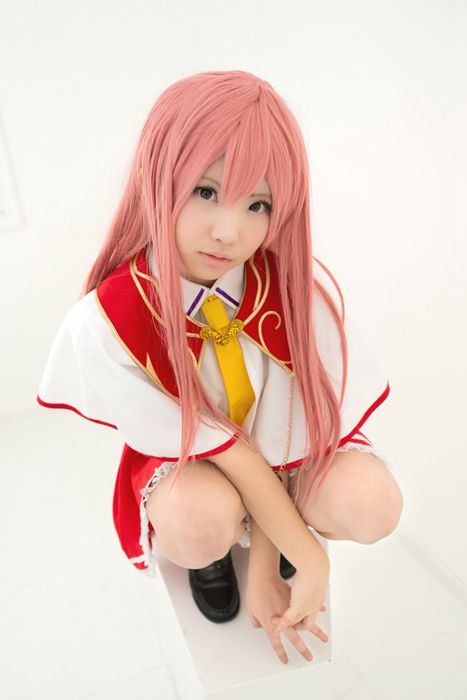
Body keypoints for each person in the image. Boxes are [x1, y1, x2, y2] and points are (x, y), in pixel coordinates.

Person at [37, 70, 403, 665]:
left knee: (372, 501)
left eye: (258, 204)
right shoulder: (112, 317)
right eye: (206, 192)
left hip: (284, 457)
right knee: (197, 520)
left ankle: (272, 527)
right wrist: (309, 557)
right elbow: (228, 450)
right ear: (159, 176)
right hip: (194, 461)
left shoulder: (288, 288)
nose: (229, 232)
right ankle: (213, 555)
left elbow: (287, 434)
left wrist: (271, 558)